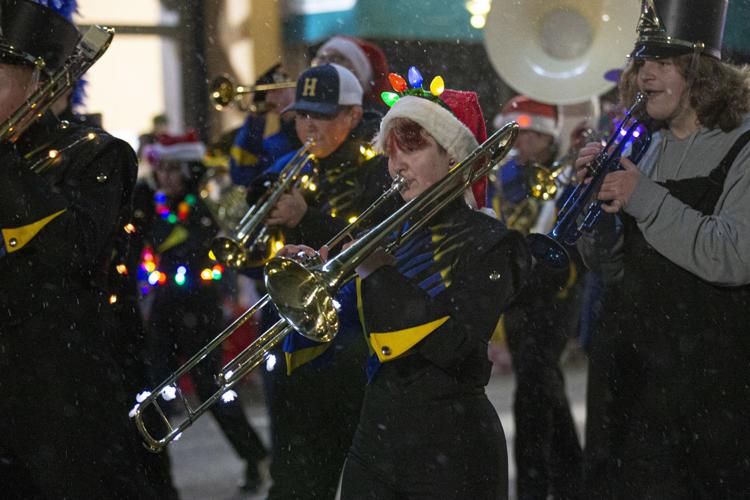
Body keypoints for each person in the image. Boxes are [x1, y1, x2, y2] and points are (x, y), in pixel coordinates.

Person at [330, 70, 532, 499]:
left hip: (451, 443)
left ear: (454, 156)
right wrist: (316, 281)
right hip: (375, 437)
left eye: (412, 149)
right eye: (390, 153)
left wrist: (378, 274)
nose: (395, 164)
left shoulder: (492, 240)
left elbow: (455, 343)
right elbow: (348, 334)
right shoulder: (384, 233)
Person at [576, 0, 750, 497]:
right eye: (641, 61)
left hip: (708, 391)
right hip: (632, 384)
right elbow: (614, 267)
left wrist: (644, 198)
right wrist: (596, 218)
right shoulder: (644, 145)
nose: (645, 75)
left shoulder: (744, 146)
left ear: (702, 72)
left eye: (664, 62)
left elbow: (734, 255)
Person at [0, 1, 168, 497]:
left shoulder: (97, 154)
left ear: (37, 83)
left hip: (60, 397)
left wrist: (4, 160)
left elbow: (69, 250)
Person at [255, 62, 397, 499]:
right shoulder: (290, 166)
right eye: (301, 115)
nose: (308, 126)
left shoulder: (380, 169)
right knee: (293, 476)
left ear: (353, 116)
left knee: (354, 474)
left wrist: (307, 218)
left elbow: (377, 245)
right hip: (293, 342)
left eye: (320, 115)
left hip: (353, 345)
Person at [136, 132, 270, 493]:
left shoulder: (202, 208)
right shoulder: (152, 204)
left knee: (212, 392)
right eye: (160, 168)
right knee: (155, 390)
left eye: (171, 169)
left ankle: (254, 457)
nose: (163, 176)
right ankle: (155, 477)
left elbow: (206, 250)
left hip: (200, 309)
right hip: (165, 307)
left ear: (187, 170)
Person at [492, 97, 584, 500]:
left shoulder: (565, 175)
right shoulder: (504, 177)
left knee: (533, 383)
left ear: (548, 137)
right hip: (518, 295)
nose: (523, 141)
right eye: (518, 133)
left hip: (556, 295)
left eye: (532, 133)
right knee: (543, 382)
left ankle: (533, 482)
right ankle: (571, 475)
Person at [229, 64, 301, 187]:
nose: (272, 95)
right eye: (270, 91)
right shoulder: (278, 142)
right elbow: (240, 175)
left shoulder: (313, 126)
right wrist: (256, 116)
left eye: (276, 90)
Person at [312, 35, 390, 112]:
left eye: (336, 59)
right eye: (322, 58)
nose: (326, 64)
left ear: (358, 69)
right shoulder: (307, 106)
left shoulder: (376, 116)